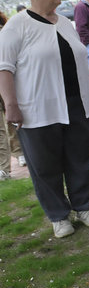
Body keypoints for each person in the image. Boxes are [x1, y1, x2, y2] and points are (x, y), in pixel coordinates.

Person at [0, 0, 89, 237]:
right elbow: (4, 67)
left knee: (81, 157)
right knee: (45, 164)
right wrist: (10, 103)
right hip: (38, 109)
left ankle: (83, 206)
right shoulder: (17, 25)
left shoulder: (65, 23)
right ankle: (59, 215)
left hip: (76, 104)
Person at [0, 11, 24, 180]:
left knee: (9, 121)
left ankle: (18, 153)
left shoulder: (5, 31)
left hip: (5, 79)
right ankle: (5, 166)